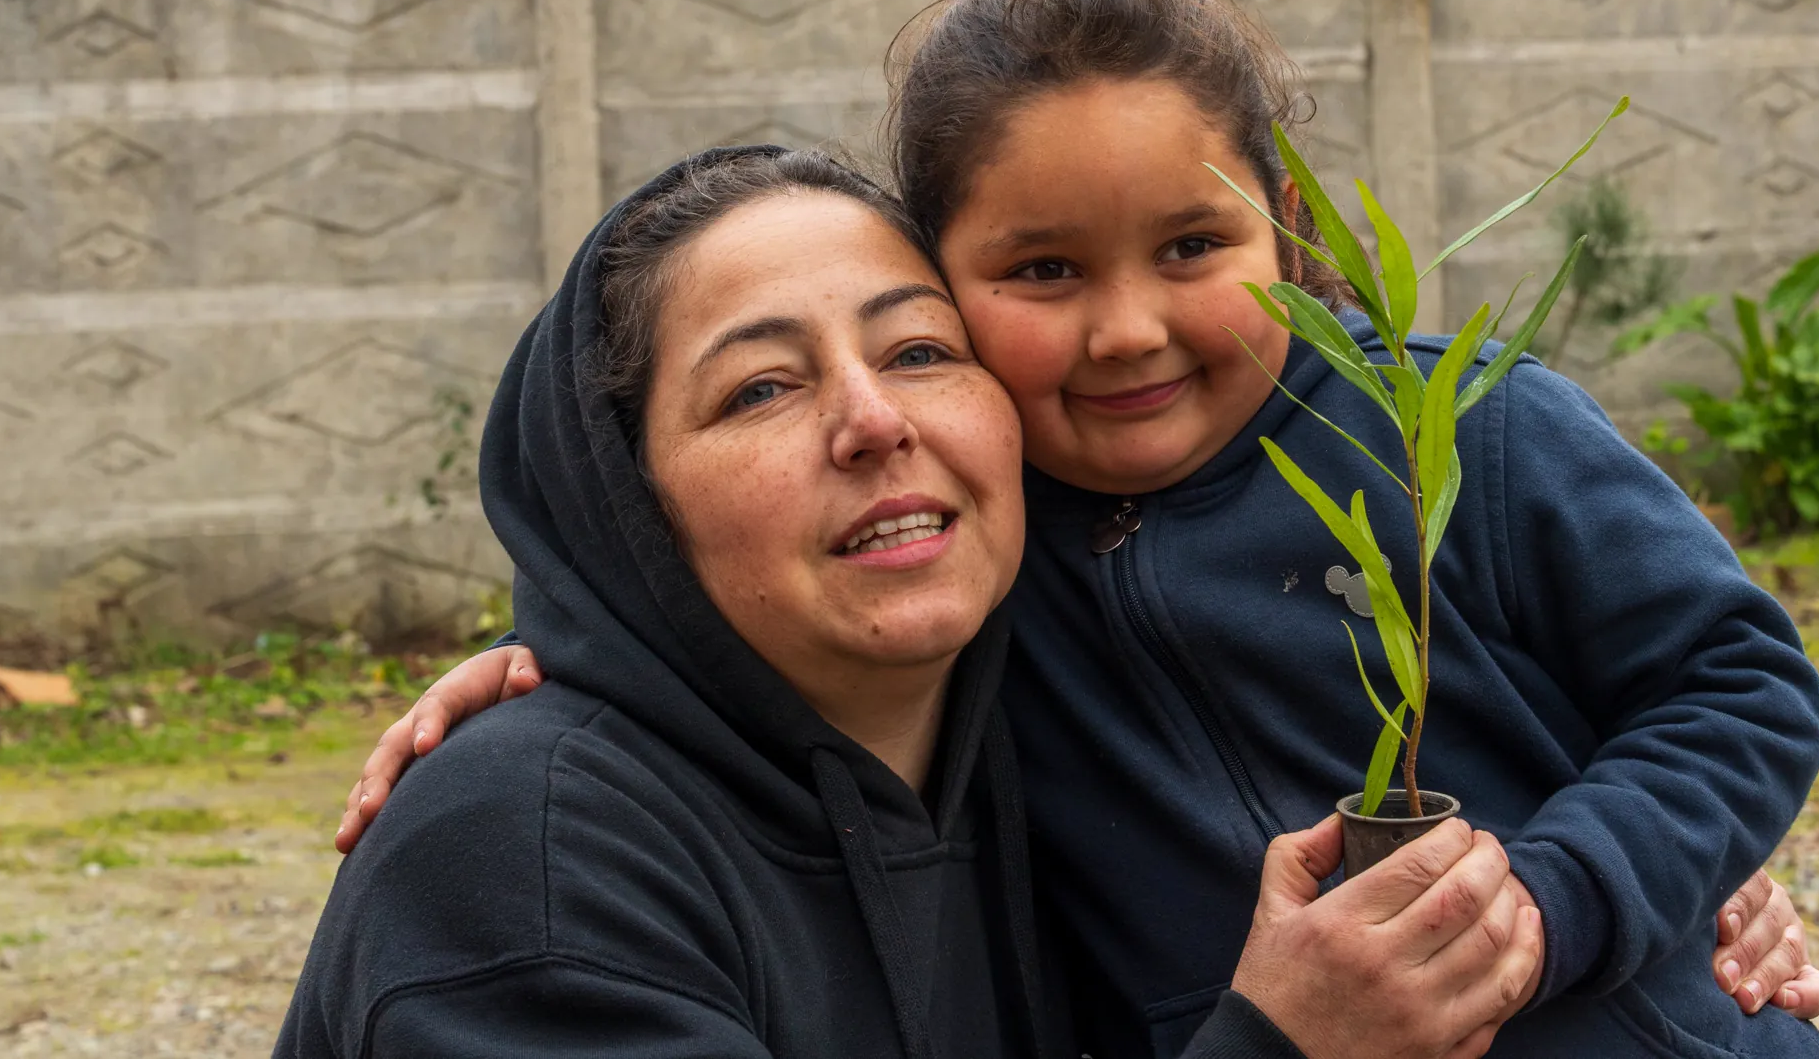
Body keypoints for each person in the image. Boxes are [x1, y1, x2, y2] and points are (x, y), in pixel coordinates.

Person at [339, 0, 1819, 1056]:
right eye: (1045, 270)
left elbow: (1736, 681)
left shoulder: (1446, 430)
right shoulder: (991, 585)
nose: (1127, 327)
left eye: (1193, 243)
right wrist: (563, 668)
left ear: (1291, 227)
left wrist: (1599, 885)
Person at [277, 145, 1548, 1059]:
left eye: (921, 352)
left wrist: (1628, 900)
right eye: (761, 388)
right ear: (624, 509)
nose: (874, 420)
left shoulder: (1034, 728)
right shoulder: (529, 868)